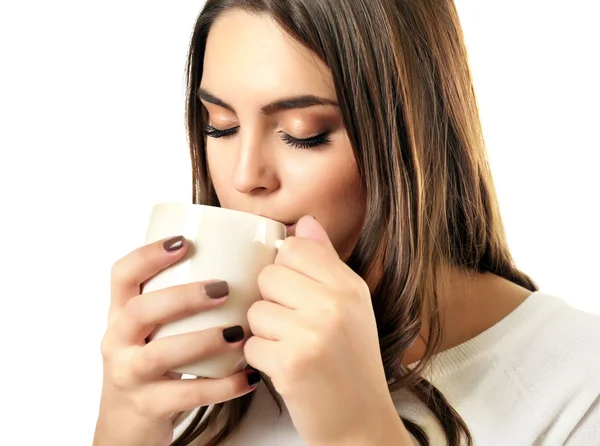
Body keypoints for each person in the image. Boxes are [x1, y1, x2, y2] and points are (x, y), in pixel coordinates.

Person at [93, 1, 600, 445]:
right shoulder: (188, 382)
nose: (245, 176)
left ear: (413, 134)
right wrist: (122, 431)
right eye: (220, 126)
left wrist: (360, 435)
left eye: (303, 134)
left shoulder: (577, 387)